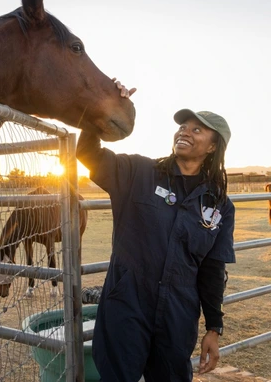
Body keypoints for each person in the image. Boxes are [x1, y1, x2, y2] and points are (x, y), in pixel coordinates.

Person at [76, 81, 235, 381]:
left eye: (197, 129)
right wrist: (105, 105)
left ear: (213, 147)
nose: (184, 131)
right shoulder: (138, 172)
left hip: (177, 315)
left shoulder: (219, 206)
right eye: (183, 126)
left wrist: (214, 328)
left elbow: (213, 269)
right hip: (126, 306)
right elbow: (87, 153)